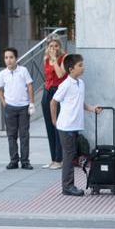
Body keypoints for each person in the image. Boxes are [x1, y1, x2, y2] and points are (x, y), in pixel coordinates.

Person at [52, 53, 98, 196]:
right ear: (71, 69)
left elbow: (79, 102)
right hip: (66, 126)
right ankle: (67, 187)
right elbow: (53, 102)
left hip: (74, 125)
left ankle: (69, 185)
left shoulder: (80, 83)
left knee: (71, 155)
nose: (83, 67)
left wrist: (92, 108)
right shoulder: (65, 85)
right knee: (69, 156)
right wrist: (54, 120)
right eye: (80, 65)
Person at [0, 47, 36, 170]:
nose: (8, 60)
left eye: (11, 57)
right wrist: (4, 102)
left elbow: (30, 86)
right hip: (10, 108)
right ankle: (13, 160)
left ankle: (25, 161)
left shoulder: (23, 71)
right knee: (11, 135)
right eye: (6, 58)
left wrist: (31, 103)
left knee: (24, 135)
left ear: (16, 58)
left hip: (23, 108)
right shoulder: (2, 74)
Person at [41, 37, 68, 168]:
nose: (53, 48)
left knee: (57, 124)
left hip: (58, 92)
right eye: (51, 46)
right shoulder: (46, 59)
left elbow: (60, 75)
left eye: (56, 46)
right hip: (47, 92)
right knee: (49, 126)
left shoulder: (64, 58)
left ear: (60, 47)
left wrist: (54, 60)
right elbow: (47, 76)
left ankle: (59, 159)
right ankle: (53, 159)